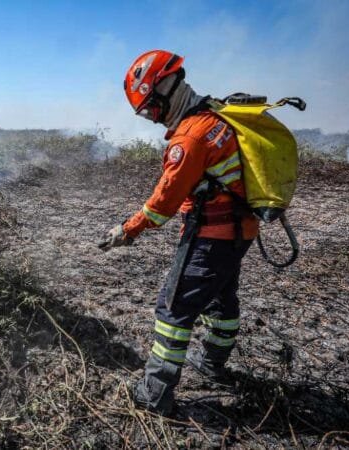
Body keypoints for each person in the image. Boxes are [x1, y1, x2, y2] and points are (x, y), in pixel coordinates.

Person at [102, 50, 259, 415]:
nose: (153, 118)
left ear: (165, 89)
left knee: (173, 310)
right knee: (221, 299)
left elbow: (163, 203)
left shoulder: (190, 138)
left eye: (151, 109)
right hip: (239, 232)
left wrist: (127, 231)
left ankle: (154, 394)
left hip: (211, 234)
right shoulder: (216, 114)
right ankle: (212, 365)